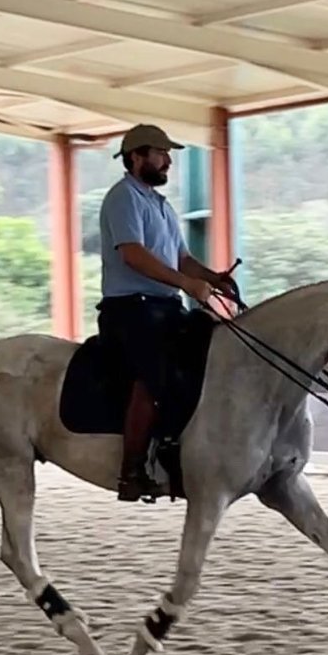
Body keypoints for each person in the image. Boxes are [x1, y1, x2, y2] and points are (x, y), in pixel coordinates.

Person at [97, 124, 238, 502]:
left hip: (164, 307)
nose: (169, 161)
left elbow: (182, 258)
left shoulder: (161, 205)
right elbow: (133, 254)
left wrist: (213, 278)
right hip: (131, 310)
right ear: (137, 157)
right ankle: (131, 471)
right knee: (154, 375)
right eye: (161, 154)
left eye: (168, 155)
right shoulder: (122, 198)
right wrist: (186, 284)